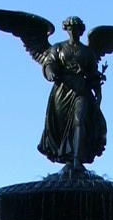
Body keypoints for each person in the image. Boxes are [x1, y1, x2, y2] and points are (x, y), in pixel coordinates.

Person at [38, 16, 108, 169]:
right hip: (62, 91)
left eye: (76, 29)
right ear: (66, 30)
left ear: (81, 31)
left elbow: (93, 75)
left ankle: (77, 158)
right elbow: (48, 63)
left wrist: (98, 92)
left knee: (79, 120)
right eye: (70, 29)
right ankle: (68, 156)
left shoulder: (87, 52)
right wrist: (50, 72)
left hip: (81, 90)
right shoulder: (58, 48)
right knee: (62, 125)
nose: (73, 32)